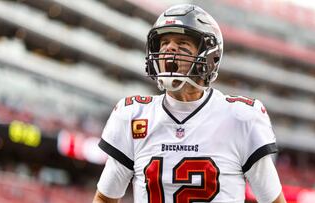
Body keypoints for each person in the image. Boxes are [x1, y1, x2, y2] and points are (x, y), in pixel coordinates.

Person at [93, 4, 286, 203]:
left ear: (210, 57)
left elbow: (273, 201)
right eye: (164, 42)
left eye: (182, 43)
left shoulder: (240, 117)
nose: (169, 48)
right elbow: (105, 198)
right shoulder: (134, 115)